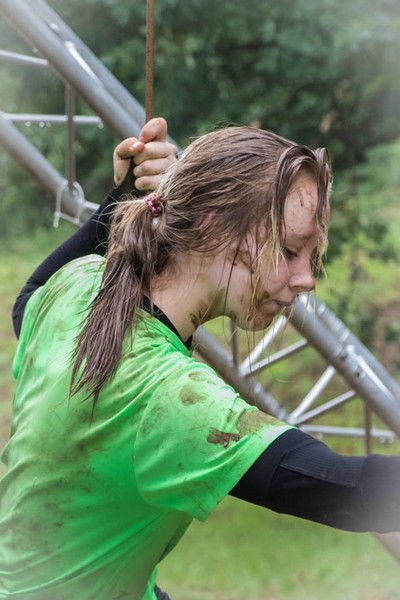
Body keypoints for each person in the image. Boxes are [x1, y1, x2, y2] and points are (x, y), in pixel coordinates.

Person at [0, 117, 399, 600]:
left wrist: (123, 197)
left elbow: (29, 298)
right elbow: (343, 490)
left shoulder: (77, 288)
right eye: (291, 249)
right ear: (212, 225)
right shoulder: (168, 398)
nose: (306, 278)